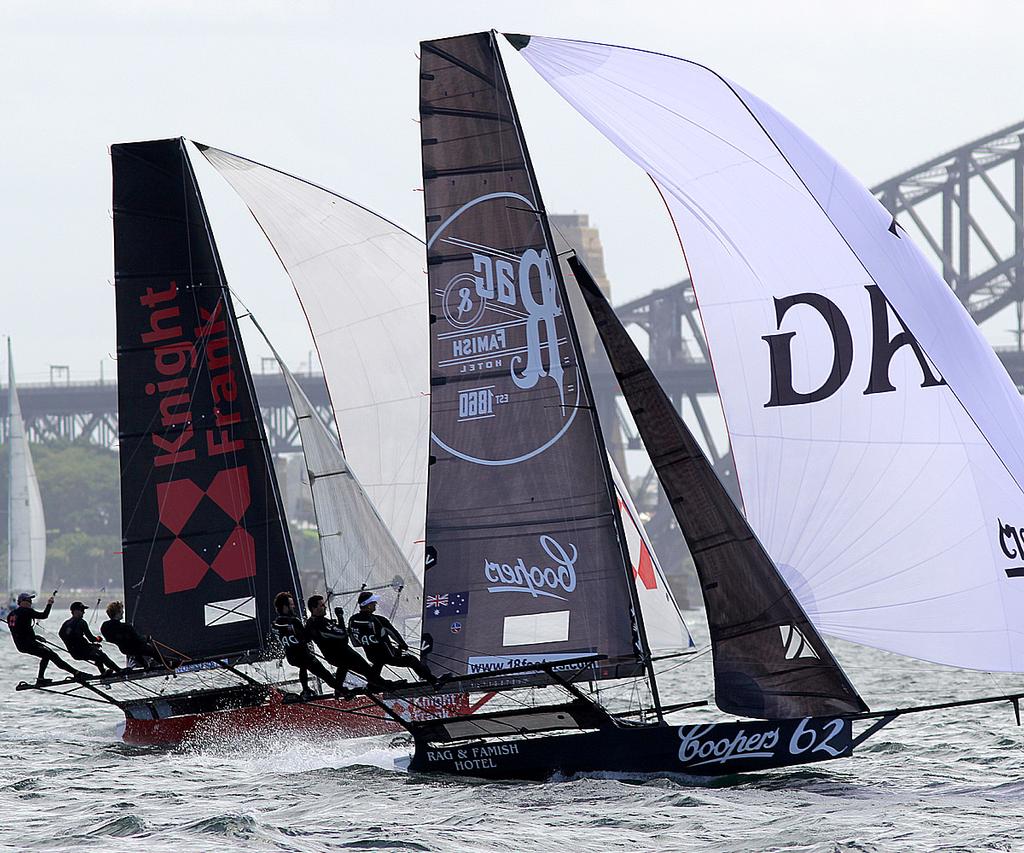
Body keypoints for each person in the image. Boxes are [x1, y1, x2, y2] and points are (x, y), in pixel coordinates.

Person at [348, 591, 439, 686]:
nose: (376, 604)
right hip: (388, 654)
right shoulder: (379, 620)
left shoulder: (352, 620)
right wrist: (403, 645)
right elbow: (394, 634)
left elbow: (355, 643)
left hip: (371, 655)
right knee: (412, 660)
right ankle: (433, 681)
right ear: (368, 605)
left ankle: (372, 684)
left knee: (378, 662)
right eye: (373, 602)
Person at [305, 595, 384, 698]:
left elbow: (306, 637)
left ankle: (339, 690)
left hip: (338, 656)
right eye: (322, 605)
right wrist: (340, 617)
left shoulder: (317, 622)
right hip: (342, 654)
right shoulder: (318, 623)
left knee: (345, 667)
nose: (325, 607)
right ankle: (384, 685)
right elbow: (343, 636)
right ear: (314, 608)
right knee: (367, 670)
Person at [272, 591, 338, 700]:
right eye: (291, 604)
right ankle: (342, 691)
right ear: (285, 606)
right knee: (326, 675)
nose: (294, 606)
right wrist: (313, 623)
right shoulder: (294, 621)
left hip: (291, 657)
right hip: (304, 656)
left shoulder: (277, 623)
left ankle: (306, 689)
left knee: (303, 667)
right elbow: (306, 638)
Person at [6, 592, 81, 686]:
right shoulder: (26, 611)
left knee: (48, 655)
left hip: (21, 645)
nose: (30, 602)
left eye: (31, 600)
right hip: (29, 644)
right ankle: (76, 673)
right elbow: (44, 615)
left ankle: (43, 678)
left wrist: (35, 637)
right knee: (51, 655)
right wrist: (49, 604)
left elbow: (20, 630)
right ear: (22, 602)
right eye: (29, 600)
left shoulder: (11, 615)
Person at [59, 601, 124, 676]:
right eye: (82, 610)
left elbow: (61, 634)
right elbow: (91, 638)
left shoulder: (66, 623)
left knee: (97, 653)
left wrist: (69, 644)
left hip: (74, 653)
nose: (84, 612)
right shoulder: (81, 622)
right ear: (75, 611)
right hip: (83, 651)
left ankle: (103, 672)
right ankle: (119, 670)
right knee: (102, 656)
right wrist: (98, 639)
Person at [100, 601, 168, 670]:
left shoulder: (105, 626)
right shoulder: (126, 626)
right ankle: (167, 664)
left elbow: (109, 639)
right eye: (121, 611)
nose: (123, 612)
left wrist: (119, 641)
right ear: (117, 613)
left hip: (124, 650)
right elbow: (138, 639)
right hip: (134, 648)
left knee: (135, 650)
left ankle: (146, 665)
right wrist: (147, 638)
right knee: (151, 650)